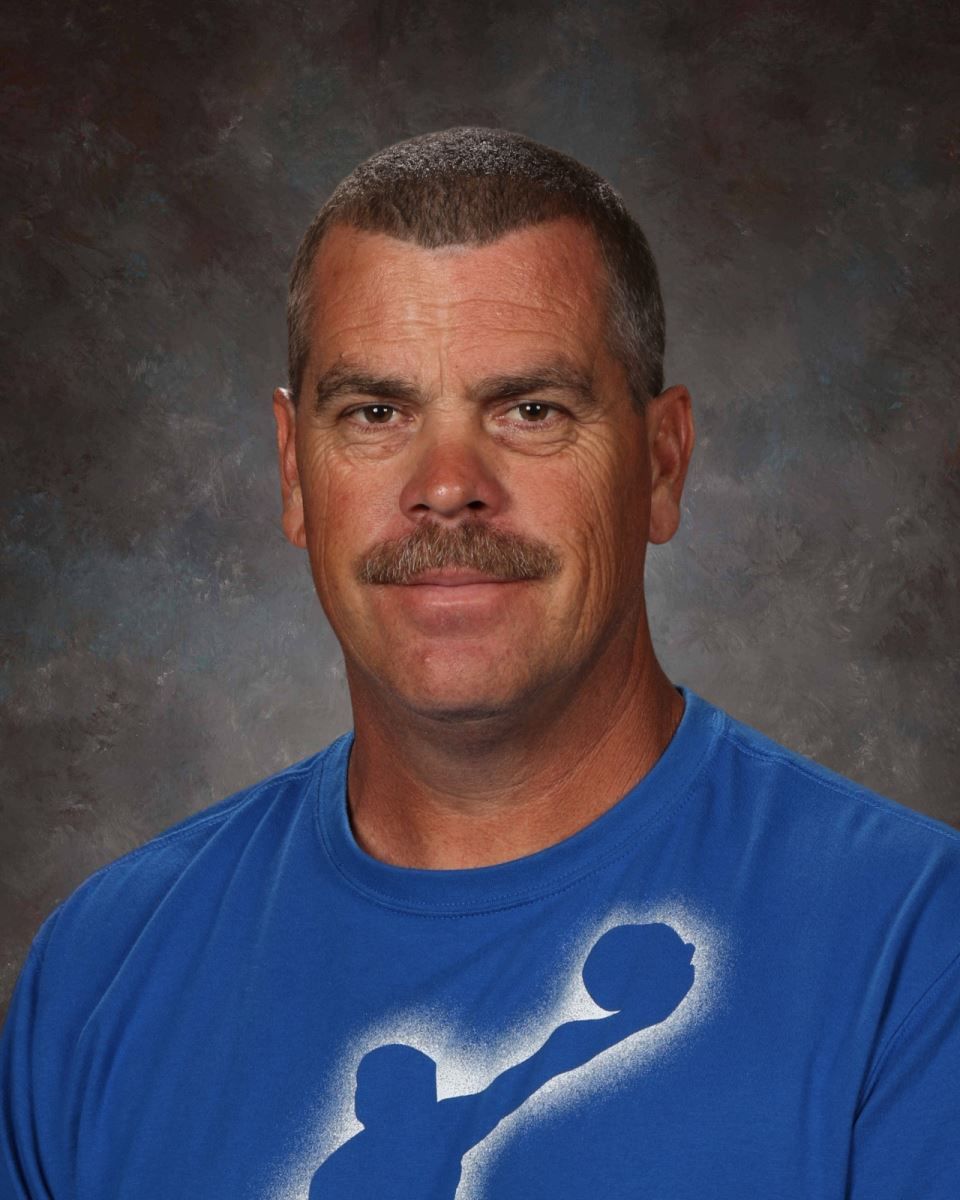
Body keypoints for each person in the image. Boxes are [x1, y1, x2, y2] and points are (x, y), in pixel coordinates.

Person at [1, 127, 958, 1199]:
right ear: (294, 473)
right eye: (376, 412)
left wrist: (618, 1023)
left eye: (531, 410)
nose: (448, 484)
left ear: (663, 462)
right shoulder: (103, 974)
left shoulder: (913, 951)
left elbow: (533, 1071)